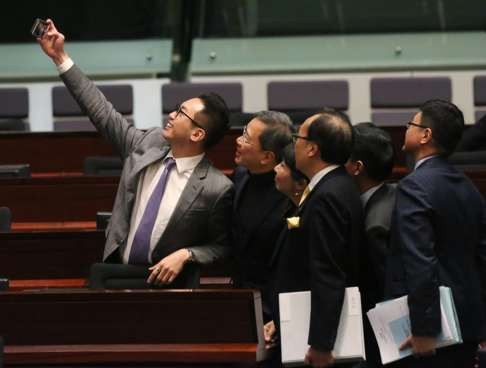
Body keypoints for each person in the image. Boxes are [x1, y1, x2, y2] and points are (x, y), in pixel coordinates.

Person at [37, 19, 233, 288]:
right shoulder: (148, 144)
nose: (172, 115)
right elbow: (103, 113)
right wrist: (60, 57)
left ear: (197, 134)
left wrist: (188, 254)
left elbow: (223, 246)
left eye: (181, 113)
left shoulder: (217, 187)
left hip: (169, 289)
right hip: (117, 275)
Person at [385, 99, 486, 367]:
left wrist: (424, 329)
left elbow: (420, 261)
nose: (406, 129)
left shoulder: (413, 186)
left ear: (425, 135)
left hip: (433, 332)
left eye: (411, 124)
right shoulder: (468, 186)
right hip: (466, 324)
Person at [271, 110, 363, 368]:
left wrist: (322, 343)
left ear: (312, 149)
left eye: (296, 138)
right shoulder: (336, 185)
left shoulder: (327, 196)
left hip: (319, 338)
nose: (294, 144)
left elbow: (328, 271)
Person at [231, 111, 293, 318]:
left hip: (272, 307)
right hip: (240, 296)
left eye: (246, 138)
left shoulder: (289, 195)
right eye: (242, 133)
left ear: (267, 157)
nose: (238, 141)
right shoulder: (241, 175)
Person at [345, 122, 396, 368]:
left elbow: (382, 294)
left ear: (357, 167)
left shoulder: (373, 226)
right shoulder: (394, 192)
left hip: (379, 340)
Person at [262, 143, 309, 352]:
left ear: (299, 184)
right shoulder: (291, 208)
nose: (275, 169)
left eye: (282, 165)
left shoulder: (309, 215)